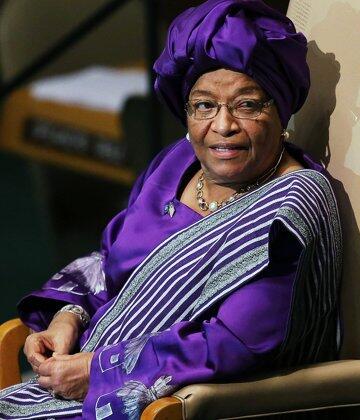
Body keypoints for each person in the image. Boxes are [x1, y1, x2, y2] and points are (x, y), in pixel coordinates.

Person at [0, 1, 342, 419]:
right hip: (77, 373)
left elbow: (239, 343)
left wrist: (98, 371)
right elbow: (110, 259)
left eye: (247, 105)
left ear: (281, 111)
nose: (223, 126)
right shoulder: (178, 161)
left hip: (174, 404)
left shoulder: (290, 204)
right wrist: (67, 318)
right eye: (204, 106)